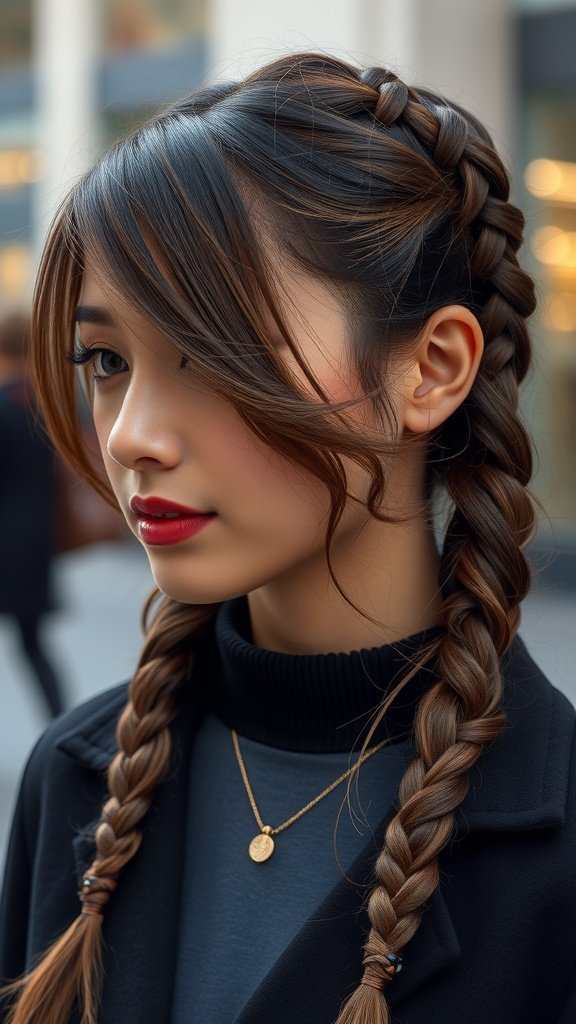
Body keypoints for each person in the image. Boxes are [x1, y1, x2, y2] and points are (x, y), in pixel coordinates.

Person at [0, 52, 574, 1024]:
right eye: (104, 359)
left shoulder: (553, 852)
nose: (130, 436)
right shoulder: (74, 779)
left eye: (212, 349)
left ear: (432, 369)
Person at [0, 312, 64, 719]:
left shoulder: (1, 403)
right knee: (33, 644)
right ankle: (60, 723)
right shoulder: (47, 405)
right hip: (37, 539)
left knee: (31, 644)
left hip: (4, 539)